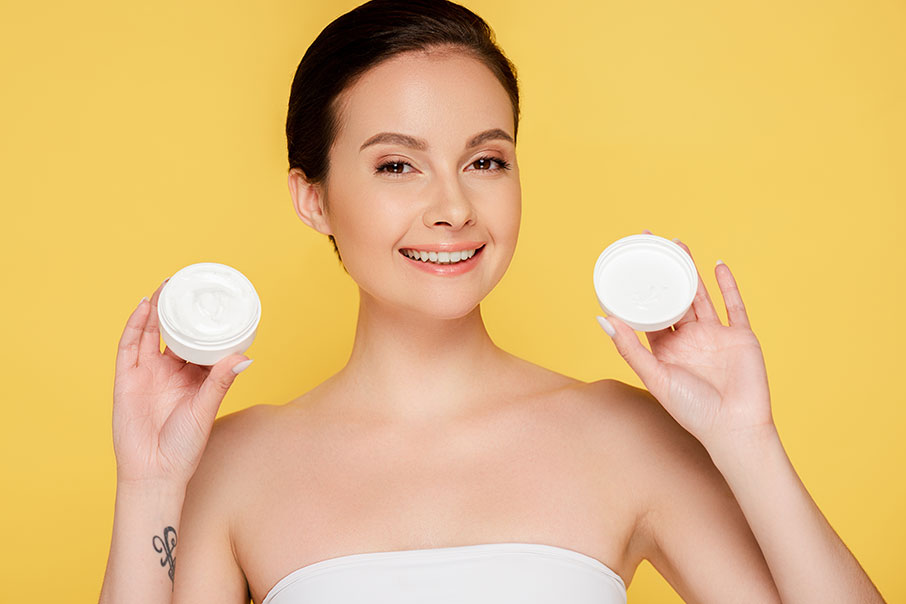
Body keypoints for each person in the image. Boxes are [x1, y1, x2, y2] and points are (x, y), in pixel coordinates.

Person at [98, 1, 887, 603]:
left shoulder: (624, 434)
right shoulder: (229, 464)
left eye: (485, 159)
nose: (454, 207)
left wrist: (747, 442)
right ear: (312, 198)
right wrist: (150, 488)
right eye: (397, 167)